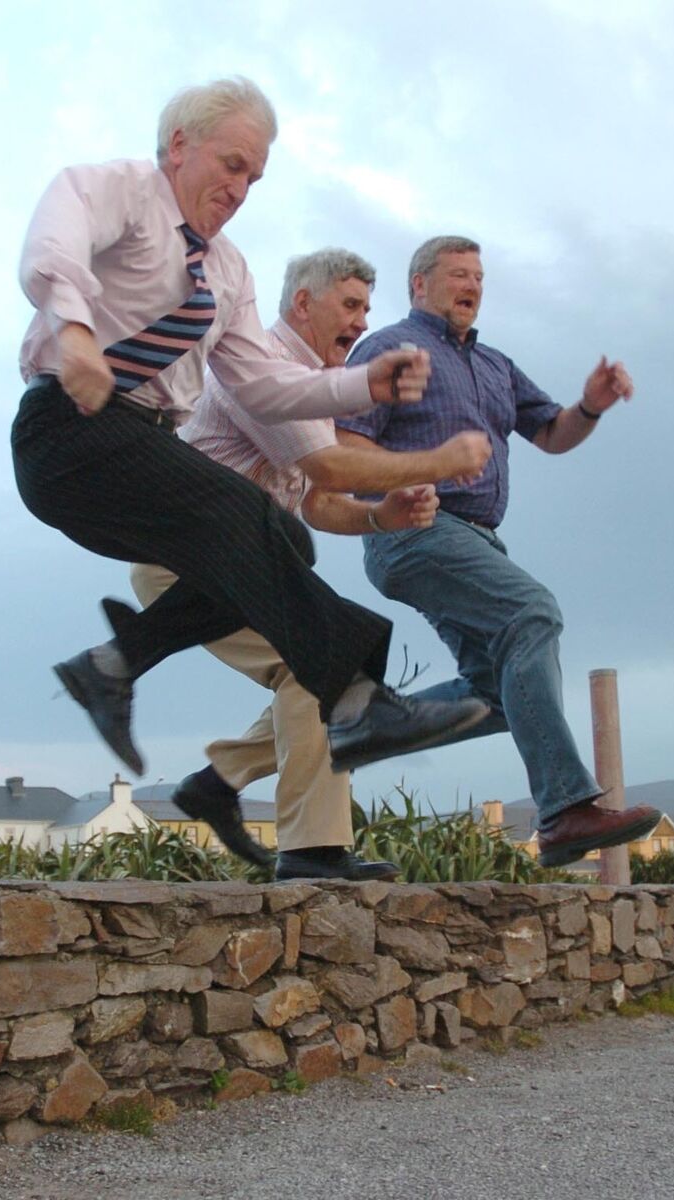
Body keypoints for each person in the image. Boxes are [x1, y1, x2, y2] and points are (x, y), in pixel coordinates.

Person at [11, 79, 480, 791]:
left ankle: (112, 665)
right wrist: (74, 332)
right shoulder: (117, 190)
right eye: (231, 165)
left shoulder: (226, 271)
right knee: (241, 513)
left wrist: (362, 385)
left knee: (287, 540)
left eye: (253, 177)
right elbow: (55, 242)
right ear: (179, 145)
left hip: (139, 442)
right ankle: (355, 696)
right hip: (68, 431)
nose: (239, 188)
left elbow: (264, 382)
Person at [129, 247, 492, 881]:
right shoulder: (264, 372)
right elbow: (330, 469)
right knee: (319, 666)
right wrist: (440, 461)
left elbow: (320, 502)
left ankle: (219, 783)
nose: (361, 322)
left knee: (330, 661)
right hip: (187, 562)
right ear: (303, 303)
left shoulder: (315, 391)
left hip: (239, 561)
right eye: (350, 305)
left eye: (366, 309)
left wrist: (382, 515)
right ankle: (310, 850)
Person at [334, 236, 661, 868]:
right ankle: (566, 809)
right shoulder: (387, 350)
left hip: (476, 541)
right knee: (532, 612)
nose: (473, 285)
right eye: (459, 273)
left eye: (479, 276)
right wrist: (406, 480)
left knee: (496, 689)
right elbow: (347, 446)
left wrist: (591, 404)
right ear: (419, 285)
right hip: (415, 529)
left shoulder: (495, 366)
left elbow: (550, 433)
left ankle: (372, 724)